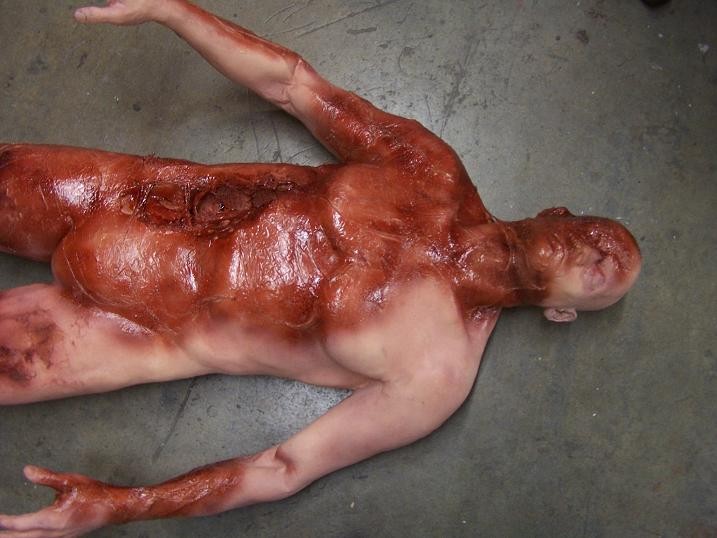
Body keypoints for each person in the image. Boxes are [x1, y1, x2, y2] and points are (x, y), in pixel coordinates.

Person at [0, 0, 642, 535]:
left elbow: (284, 469)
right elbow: (292, 84)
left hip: (131, 331)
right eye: (600, 235)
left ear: (562, 313)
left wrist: (120, 504)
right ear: (556, 212)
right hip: (132, 197)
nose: (603, 255)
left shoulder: (436, 372)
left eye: (607, 273)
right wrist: (175, 11)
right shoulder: (431, 171)